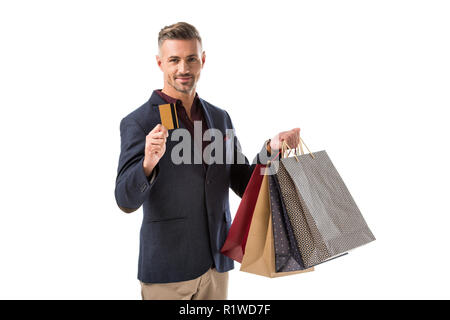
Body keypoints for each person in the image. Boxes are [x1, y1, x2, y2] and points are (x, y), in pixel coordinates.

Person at [114, 21, 301, 300]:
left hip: (216, 265)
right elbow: (124, 200)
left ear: (202, 60)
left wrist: (271, 150)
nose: (183, 69)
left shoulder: (219, 118)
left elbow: (244, 183)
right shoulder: (139, 122)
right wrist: (147, 163)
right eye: (174, 60)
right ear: (160, 63)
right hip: (167, 271)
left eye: (191, 59)